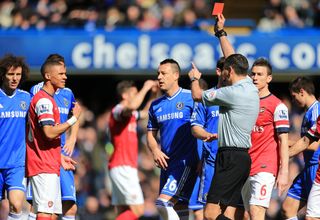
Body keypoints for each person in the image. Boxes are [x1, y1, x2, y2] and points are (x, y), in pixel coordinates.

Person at [189, 52, 259, 219]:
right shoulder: (250, 87)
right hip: (240, 157)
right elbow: (232, 56)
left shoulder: (232, 93)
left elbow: (197, 96)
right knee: (229, 213)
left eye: (226, 70)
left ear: (230, 71)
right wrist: (221, 33)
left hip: (230, 158)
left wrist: (194, 79)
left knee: (211, 214)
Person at [26, 58, 81, 220]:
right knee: (43, 212)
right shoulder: (43, 100)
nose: (65, 77)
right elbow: (49, 133)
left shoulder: (54, 97)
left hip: (52, 160)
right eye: (61, 74)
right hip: (42, 163)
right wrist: (73, 120)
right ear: (48, 76)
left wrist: (60, 156)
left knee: (50, 213)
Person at [147, 58, 199, 220]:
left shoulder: (190, 98)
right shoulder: (155, 105)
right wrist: (155, 150)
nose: (159, 77)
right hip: (167, 165)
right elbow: (150, 133)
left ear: (176, 75)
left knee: (162, 203)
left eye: (164, 73)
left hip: (186, 162)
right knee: (179, 207)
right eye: (158, 74)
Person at [108, 79, 157, 219]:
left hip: (122, 167)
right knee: (138, 210)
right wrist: (145, 88)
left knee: (123, 211)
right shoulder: (118, 110)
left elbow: (146, 113)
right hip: (123, 166)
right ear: (125, 95)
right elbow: (132, 106)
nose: (137, 96)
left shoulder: (130, 116)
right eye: (134, 93)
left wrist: (152, 95)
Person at [188, 58, 225, 219]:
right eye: (228, 70)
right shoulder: (207, 98)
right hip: (211, 162)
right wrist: (207, 135)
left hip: (236, 162)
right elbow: (195, 127)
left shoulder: (241, 98)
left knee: (241, 212)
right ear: (219, 71)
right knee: (208, 214)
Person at [281, 76, 320, 219]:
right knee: (287, 208)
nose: (293, 100)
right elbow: (305, 141)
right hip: (308, 167)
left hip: (316, 168)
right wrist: (286, 142)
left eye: (294, 96)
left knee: (313, 216)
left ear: (302, 91)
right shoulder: (308, 112)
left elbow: (315, 144)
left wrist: (285, 152)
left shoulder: (316, 110)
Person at [0, 54, 30, 220]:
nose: (14, 78)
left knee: (17, 205)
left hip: (16, 164)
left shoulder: (25, 98)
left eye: (18, 74)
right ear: (3, 75)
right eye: (11, 74)